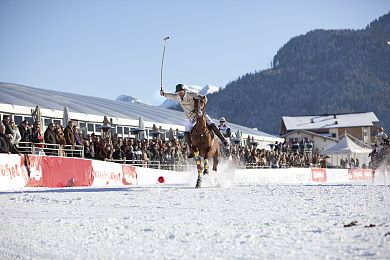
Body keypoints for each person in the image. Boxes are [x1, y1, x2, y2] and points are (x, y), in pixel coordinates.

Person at [160, 84, 228, 158]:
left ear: (184, 91)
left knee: (212, 125)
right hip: (189, 118)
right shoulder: (178, 97)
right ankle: (191, 150)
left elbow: (203, 98)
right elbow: (171, 96)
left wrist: (202, 103)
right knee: (186, 132)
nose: (179, 94)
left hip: (199, 115)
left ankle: (223, 140)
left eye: (181, 92)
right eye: (178, 92)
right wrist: (163, 94)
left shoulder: (191, 94)